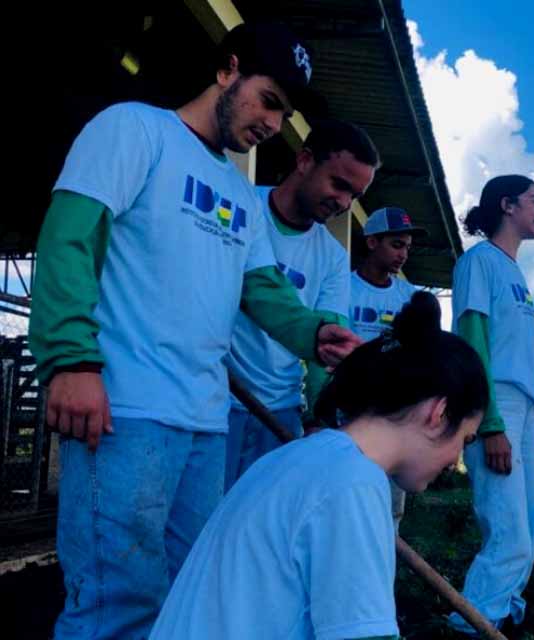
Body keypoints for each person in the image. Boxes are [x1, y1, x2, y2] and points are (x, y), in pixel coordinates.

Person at [27, 22, 361, 638]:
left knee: (189, 594)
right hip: (125, 410)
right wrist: (71, 362)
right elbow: (68, 240)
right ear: (228, 69)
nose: (272, 123)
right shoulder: (134, 129)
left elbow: (263, 293)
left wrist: (315, 335)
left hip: (205, 423)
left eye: (284, 114)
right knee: (115, 601)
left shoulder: (237, 190)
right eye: (269, 100)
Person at [149, 293, 488, 639]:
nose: (454, 461)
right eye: (465, 439)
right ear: (439, 414)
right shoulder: (354, 482)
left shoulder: (290, 460)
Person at [224, 119, 380, 491]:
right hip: (219, 398)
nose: (343, 203)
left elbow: (326, 346)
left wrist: (317, 417)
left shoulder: (332, 255)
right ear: (306, 160)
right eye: (339, 185)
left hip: (278, 411)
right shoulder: (244, 206)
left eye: (354, 197)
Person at [448, 174, 534, 633]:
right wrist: (489, 421)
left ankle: (501, 618)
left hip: (524, 410)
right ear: (507, 205)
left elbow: (520, 357)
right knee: (508, 530)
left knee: (528, 530)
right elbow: (473, 341)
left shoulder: (515, 272)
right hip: (493, 404)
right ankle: (471, 626)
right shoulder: (479, 262)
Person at [348, 206, 427, 527]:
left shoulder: (411, 297)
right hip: (348, 414)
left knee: (389, 510)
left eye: (407, 246)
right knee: (348, 500)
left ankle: (382, 572)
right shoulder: (343, 287)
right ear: (371, 242)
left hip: (394, 417)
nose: (404, 254)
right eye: (396, 244)